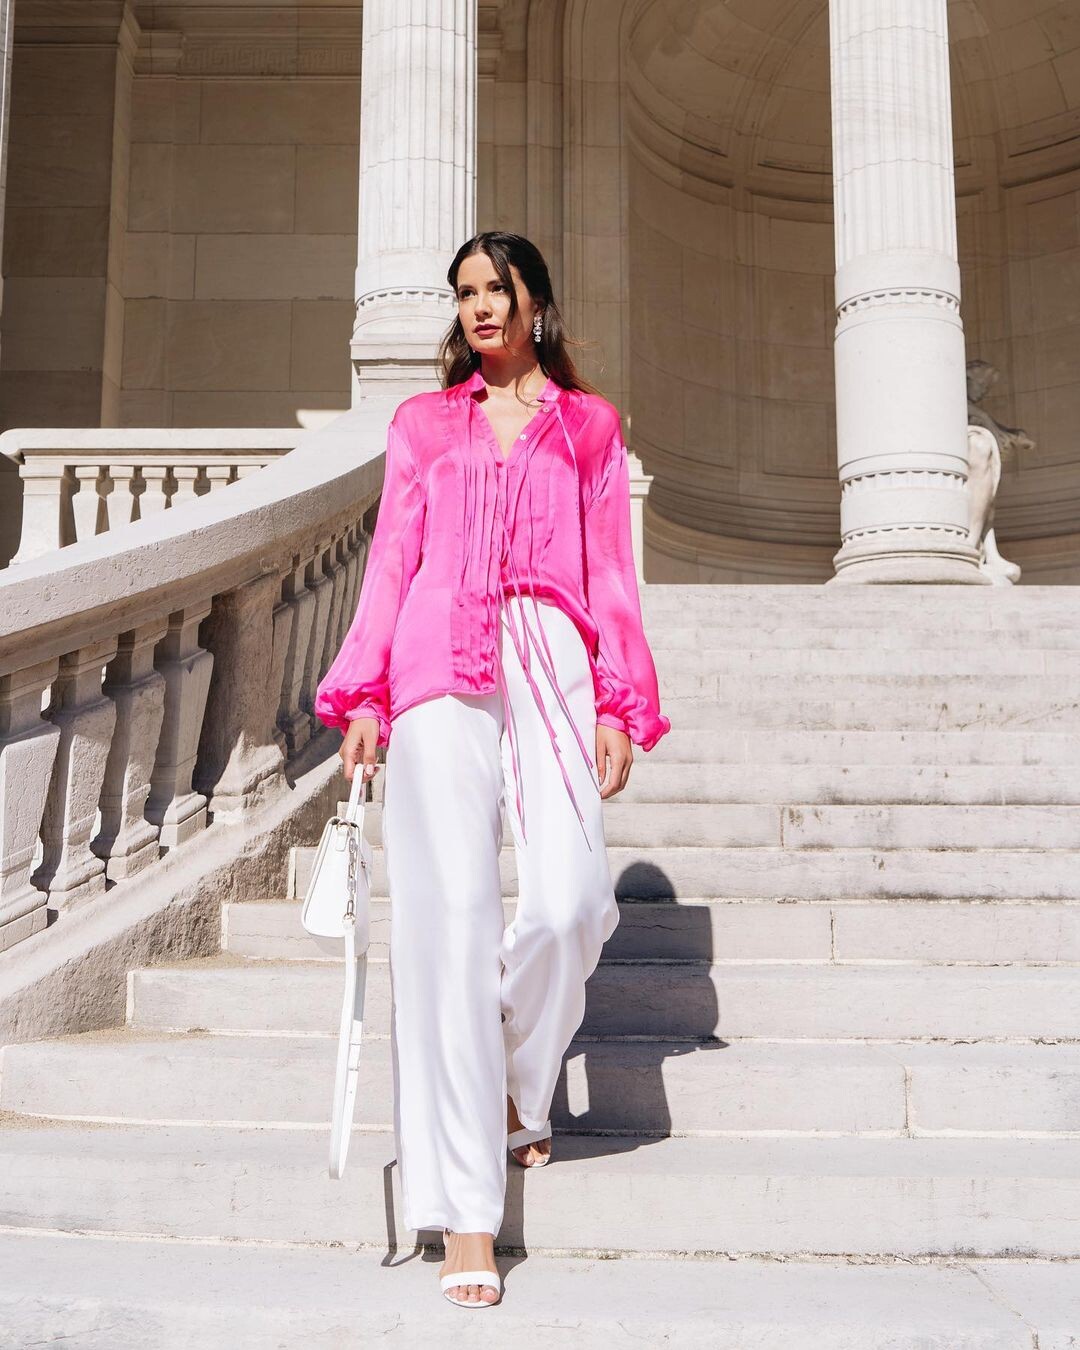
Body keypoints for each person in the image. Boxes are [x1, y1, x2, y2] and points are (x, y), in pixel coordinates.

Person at [314, 231, 670, 1309]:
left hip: (552, 658)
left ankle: (518, 1083)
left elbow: (611, 572)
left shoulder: (589, 423)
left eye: (496, 289)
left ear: (534, 302)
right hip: (435, 664)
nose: (478, 306)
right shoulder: (424, 425)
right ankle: (466, 1214)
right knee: (451, 928)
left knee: (569, 902)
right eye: (464, 292)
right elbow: (392, 561)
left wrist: (619, 700)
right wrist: (363, 694)